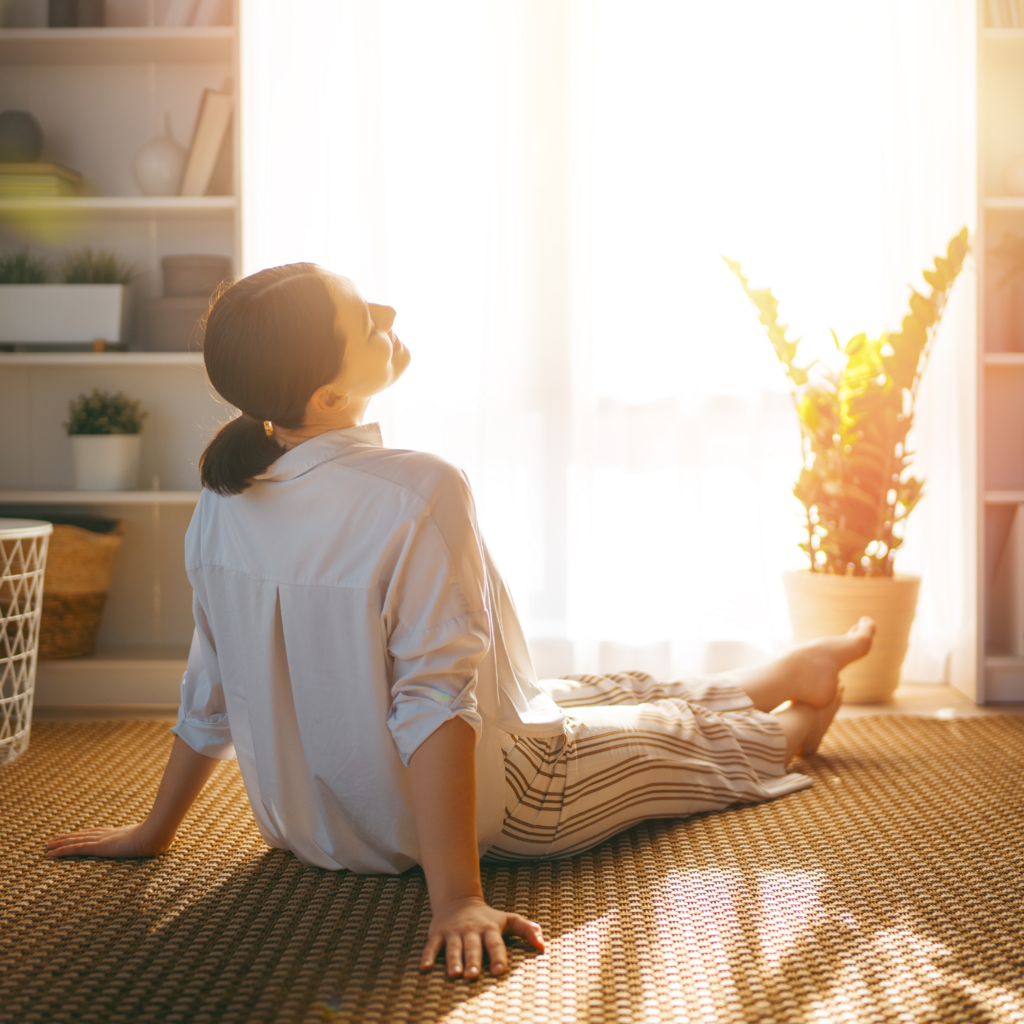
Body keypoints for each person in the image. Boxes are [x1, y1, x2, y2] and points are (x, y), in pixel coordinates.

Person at [47, 263, 876, 981]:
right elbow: (435, 702)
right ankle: (803, 718)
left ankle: (783, 673)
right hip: (512, 800)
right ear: (329, 394)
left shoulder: (222, 500)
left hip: (310, 827)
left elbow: (212, 680)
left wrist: (157, 831)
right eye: (365, 318)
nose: (390, 317)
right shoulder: (418, 491)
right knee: (675, 740)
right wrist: (460, 900)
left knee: (598, 689)